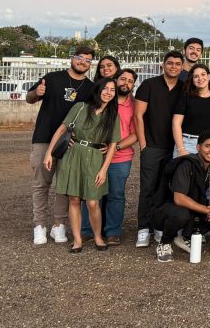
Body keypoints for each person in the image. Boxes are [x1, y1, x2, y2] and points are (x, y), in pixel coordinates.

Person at [26, 46, 97, 245]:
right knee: (41, 183)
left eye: (88, 60)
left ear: (91, 64)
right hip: (44, 138)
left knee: (65, 186)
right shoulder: (52, 78)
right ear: (72, 58)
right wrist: (36, 93)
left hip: (71, 142)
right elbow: (29, 98)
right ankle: (39, 225)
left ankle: (59, 224)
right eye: (80, 57)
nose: (83, 62)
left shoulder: (91, 88)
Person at [43, 78, 121, 252]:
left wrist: (104, 170)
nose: (108, 92)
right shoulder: (80, 108)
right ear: (98, 90)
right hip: (73, 155)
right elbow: (61, 129)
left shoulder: (113, 116)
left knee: (92, 202)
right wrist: (49, 153)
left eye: (112, 90)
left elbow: (113, 145)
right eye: (105, 88)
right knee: (74, 199)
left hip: (95, 158)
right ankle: (77, 240)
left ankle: (98, 237)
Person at [80, 67, 140, 245]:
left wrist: (116, 147)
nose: (126, 83)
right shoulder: (102, 100)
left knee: (116, 195)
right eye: (123, 79)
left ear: (133, 86)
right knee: (91, 193)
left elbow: (135, 134)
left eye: (130, 81)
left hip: (121, 158)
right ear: (115, 80)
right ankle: (87, 230)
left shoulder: (134, 106)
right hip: (94, 155)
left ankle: (113, 232)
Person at [134, 50, 184, 248]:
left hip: (174, 147)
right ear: (163, 65)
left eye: (177, 64)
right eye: (170, 63)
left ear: (182, 67)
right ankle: (143, 228)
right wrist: (143, 144)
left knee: (166, 190)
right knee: (147, 188)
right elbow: (138, 116)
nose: (173, 67)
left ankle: (159, 226)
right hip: (152, 146)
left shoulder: (184, 88)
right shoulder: (149, 85)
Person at [152, 131, 210, 263]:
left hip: (191, 205)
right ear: (198, 147)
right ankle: (165, 243)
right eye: (207, 146)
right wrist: (207, 210)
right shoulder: (187, 164)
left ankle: (185, 237)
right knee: (182, 215)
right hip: (167, 208)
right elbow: (179, 198)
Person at [172, 62, 210, 157]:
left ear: (208, 77)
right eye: (196, 76)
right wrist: (181, 149)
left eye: (203, 74)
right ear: (192, 80)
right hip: (187, 143)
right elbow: (176, 124)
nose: (200, 78)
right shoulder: (185, 97)